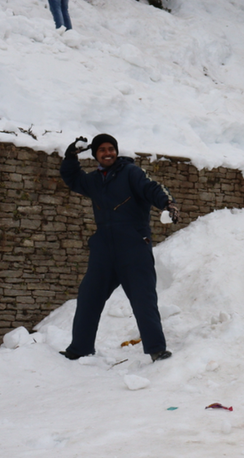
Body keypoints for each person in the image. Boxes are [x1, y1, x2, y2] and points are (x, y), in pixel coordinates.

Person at [59, 134, 179, 362]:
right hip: (103, 250)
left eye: (111, 148)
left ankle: (157, 349)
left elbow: (150, 188)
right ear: (95, 155)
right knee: (88, 298)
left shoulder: (131, 173)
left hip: (133, 246)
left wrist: (167, 202)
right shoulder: (94, 180)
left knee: (143, 299)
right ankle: (80, 348)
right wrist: (70, 156)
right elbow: (72, 178)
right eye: (102, 150)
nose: (108, 153)